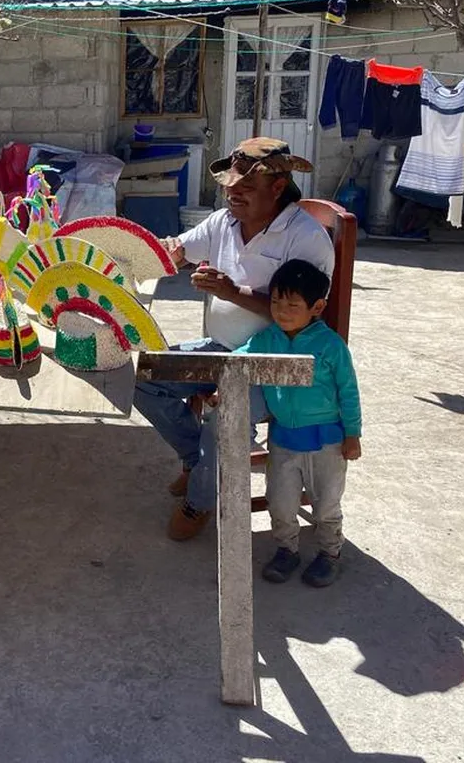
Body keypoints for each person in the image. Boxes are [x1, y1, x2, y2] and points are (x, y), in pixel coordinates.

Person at [133, 137, 335, 541]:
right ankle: (197, 462)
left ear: (277, 188)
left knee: (227, 410)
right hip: (222, 350)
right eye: (229, 185)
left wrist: (232, 292)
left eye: (244, 187)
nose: (232, 193)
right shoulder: (224, 221)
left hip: (276, 364)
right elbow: (180, 250)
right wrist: (168, 252)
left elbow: (302, 320)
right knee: (141, 375)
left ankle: (200, 501)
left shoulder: (304, 237)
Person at [232, 259, 361, 588]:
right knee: (281, 502)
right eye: (276, 301)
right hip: (283, 441)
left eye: (293, 304)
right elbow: (239, 361)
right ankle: (286, 550)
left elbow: (348, 392)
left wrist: (353, 435)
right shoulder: (267, 339)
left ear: (317, 307)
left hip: (327, 444)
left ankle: (329, 553)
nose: (282, 311)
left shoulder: (331, 346)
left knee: (326, 505)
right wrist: (224, 386)